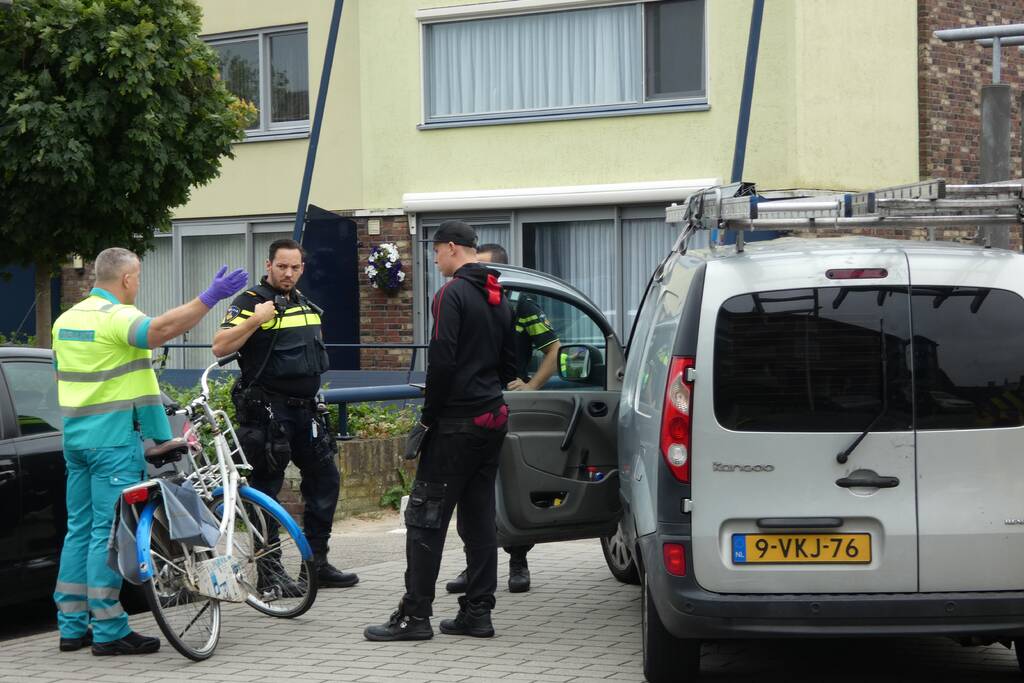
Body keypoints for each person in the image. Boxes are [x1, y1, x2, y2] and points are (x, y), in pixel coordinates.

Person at [52, 247, 248, 655]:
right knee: (106, 534)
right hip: (112, 443)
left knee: (79, 530)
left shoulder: (66, 320)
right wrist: (209, 298)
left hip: (75, 441)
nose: (138, 284)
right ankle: (108, 630)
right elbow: (159, 331)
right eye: (138, 277)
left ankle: (71, 626)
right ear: (126, 279)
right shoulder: (116, 317)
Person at [364, 221, 516, 641]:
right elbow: (510, 363)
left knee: (425, 518)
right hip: (492, 418)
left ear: (451, 248)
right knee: (479, 518)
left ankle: (415, 617)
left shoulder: (451, 294)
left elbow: (442, 360)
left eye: (434, 252)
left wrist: (429, 417)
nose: (434, 260)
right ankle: (478, 613)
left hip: (455, 424)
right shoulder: (498, 295)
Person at [212, 239, 358, 589]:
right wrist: (255, 321)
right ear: (269, 265)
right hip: (269, 413)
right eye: (281, 267)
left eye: (294, 267)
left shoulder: (304, 303)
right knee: (266, 491)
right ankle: (270, 573)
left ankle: (317, 565)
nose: (288, 273)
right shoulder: (250, 301)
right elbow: (220, 345)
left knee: (325, 481)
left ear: (302, 268)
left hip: (306, 412)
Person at [445, 243, 561, 595]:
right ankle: (475, 566)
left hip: (506, 405)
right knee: (472, 492)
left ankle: (517, 561)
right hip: (471, 407)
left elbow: (553, 348)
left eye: (480, 267)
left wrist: (531, 386)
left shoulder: (520, 305)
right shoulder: (463, 301)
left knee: (510, 486)